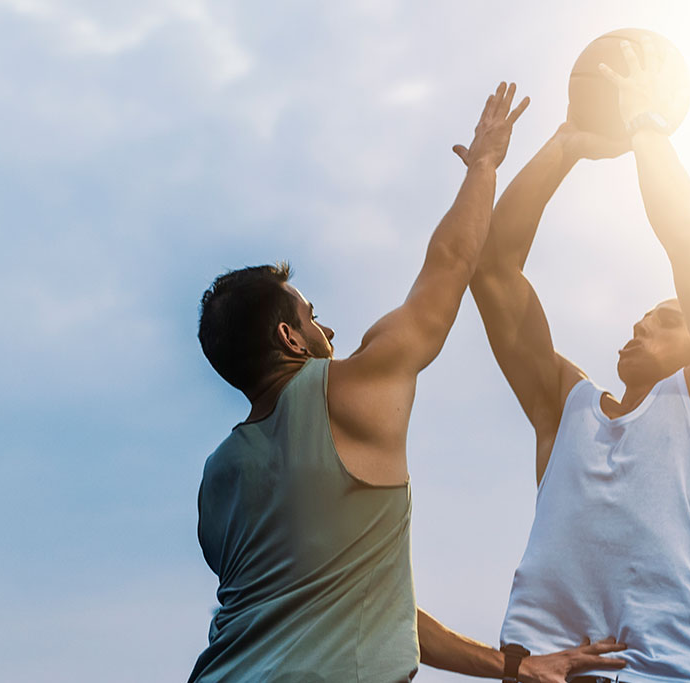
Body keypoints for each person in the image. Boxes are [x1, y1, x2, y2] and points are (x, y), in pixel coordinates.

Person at [189, 82, 626, 683]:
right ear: (291, 340)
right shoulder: (347, 392)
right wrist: (483, 166)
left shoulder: (217, 479)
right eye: (312, 316)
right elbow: (448, 266)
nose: (327, 328)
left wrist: (515, 669)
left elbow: (371, 608)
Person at [467, 39, 690, 682]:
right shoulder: (566, 405)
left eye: (669, 318)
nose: (642, 321)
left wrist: (646, 128)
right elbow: (493, 271)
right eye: (644, 315)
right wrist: (568, 142)